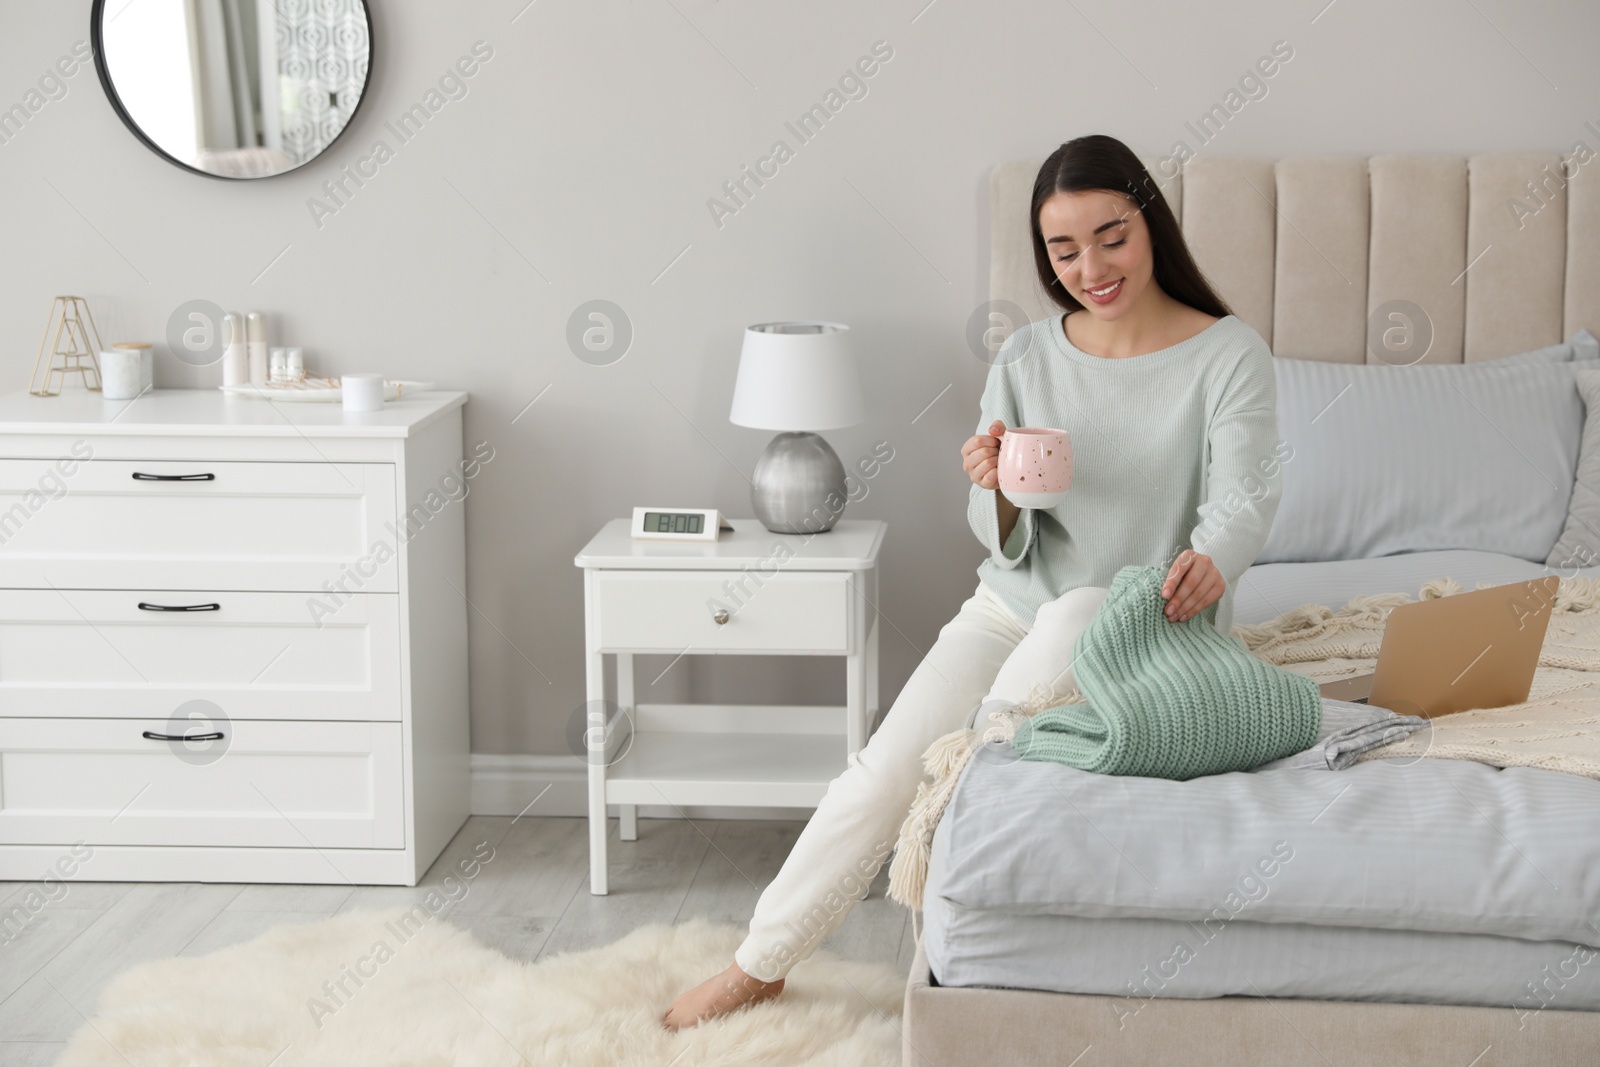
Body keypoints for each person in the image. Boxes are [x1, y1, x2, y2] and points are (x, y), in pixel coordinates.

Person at [662, 133, 1284, 1030]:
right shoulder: (1028, 358)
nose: (1090, 267)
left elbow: (1246, 493)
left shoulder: (1227, 355)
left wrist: (1216, 556)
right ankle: (759, 963)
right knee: (878, 771)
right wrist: (989, 488)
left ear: (1150, 221)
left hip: (1149, 621)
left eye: (1110, 236)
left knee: (1076, 612)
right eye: (1063, 250)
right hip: (1013, 610)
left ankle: (968, 777)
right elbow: (1003, 542)